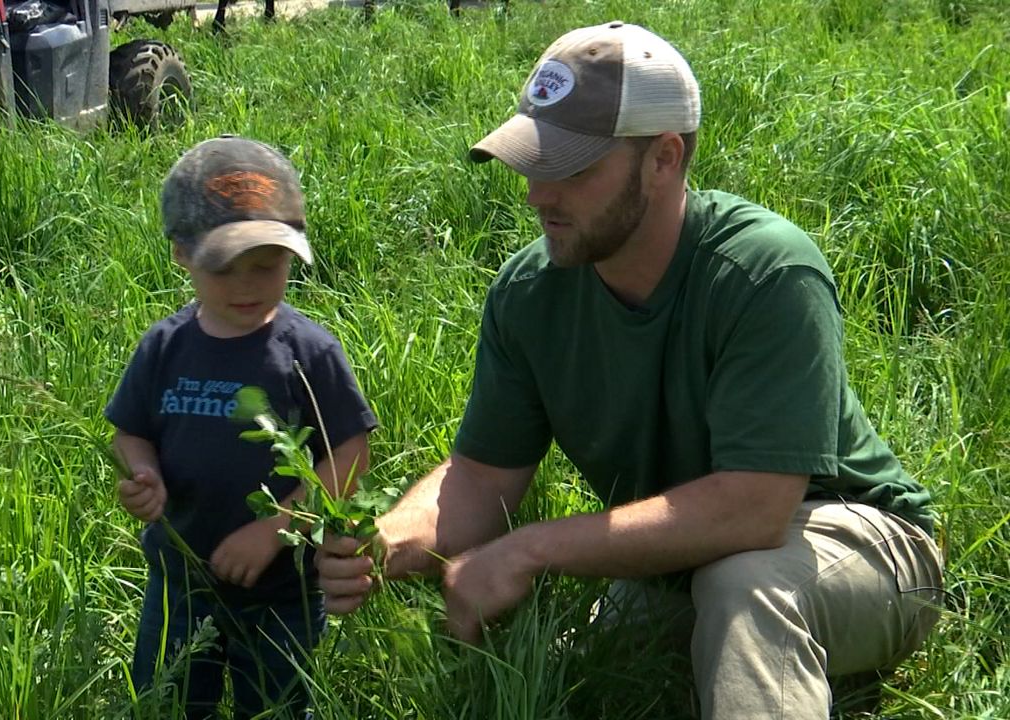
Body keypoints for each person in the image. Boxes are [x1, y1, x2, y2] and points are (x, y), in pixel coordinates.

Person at [316, 21, 944, 719]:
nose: (536, 196)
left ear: (664, 159)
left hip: (851, 539)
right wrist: (385, 541)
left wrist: (531, 549)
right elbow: (483, 475)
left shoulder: (764, 272)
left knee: (745, 586)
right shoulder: (531, 295)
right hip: (682, 563)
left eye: (573, 170)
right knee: (550, 657)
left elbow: (756, 507)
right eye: (531, 163)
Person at [107, 136, 377, 719]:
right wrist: (144, 474)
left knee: (277, 707)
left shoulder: (308, 353)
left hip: (282, 594)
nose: (248, 286)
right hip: (180, 584)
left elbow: (350, 453)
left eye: (268, 264)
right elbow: (129, 432)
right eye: (225, 268)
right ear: (182, 254)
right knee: (170, 703)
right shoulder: (165, 348)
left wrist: (278, 527)